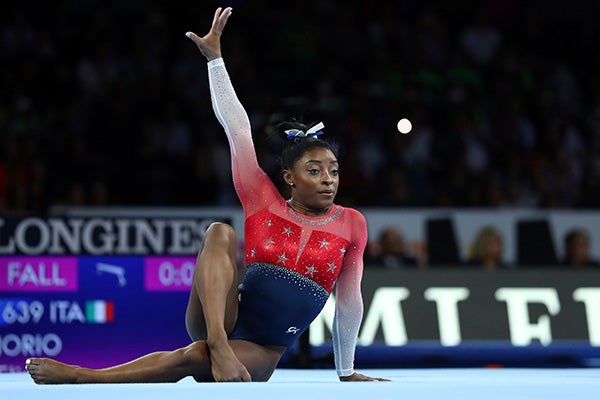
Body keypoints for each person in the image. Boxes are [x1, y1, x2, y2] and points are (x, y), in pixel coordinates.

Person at [25, 7, 388, 384]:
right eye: (314, 171)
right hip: (221, 318)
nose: (328, 179)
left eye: (333, 171)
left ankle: (82, 375)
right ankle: (216, 344)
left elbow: (349, 302)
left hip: (262, 348)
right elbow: (237, 130)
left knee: (191, 357)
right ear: (288, 178)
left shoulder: (351, 223)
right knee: (219, 231)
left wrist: (346, 372)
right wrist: (215, 60)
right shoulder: (263, 199)